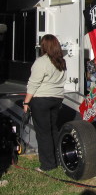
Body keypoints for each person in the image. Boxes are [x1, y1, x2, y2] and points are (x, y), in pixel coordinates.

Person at [23, 34, 67, 172]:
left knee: (43, 133)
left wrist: (26, 102)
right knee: (53, 130)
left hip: (41, 99)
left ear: (44, 46)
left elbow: (33, 83)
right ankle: (58, 159)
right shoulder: (61, 61)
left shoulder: (41, 62)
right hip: (57, 98)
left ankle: (47, 165)